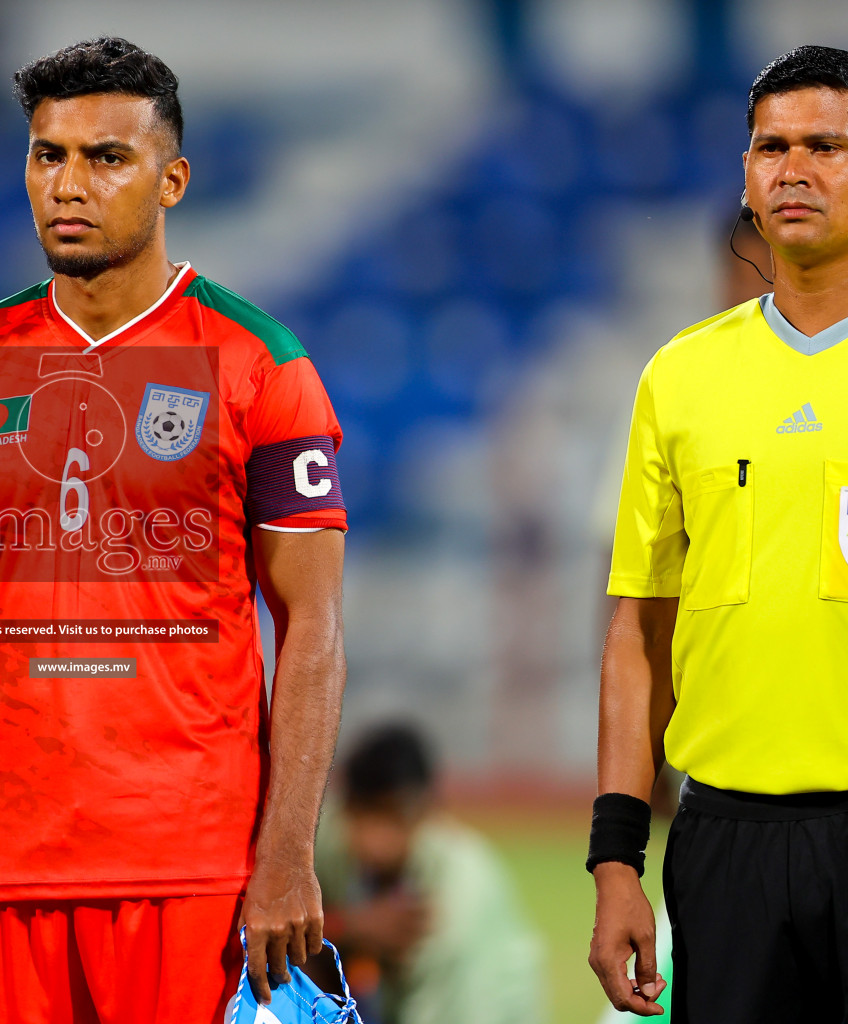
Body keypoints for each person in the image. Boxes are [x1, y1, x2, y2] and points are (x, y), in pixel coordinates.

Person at [0, 37, 350, 1022]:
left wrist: (288, 852)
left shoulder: (262, 364)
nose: (68, 185)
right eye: (49, 156)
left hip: (192, 866)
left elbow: (313, 630)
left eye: (105, 158)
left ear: (172, 179)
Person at [589, 44, 848, 1023]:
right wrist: (616, 859)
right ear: (746, 173)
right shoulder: (679, 380)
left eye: (826, 144)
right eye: (771, 146)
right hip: (724, 836)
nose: (793, 168)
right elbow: (635, 632)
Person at [315, 724, 542, 1024]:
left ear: (428, 808)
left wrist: (338, 931)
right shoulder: (327, 841)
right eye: (363, 814)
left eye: (395, 816)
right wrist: (348, 927)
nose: (375, 841)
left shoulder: (457, 892)